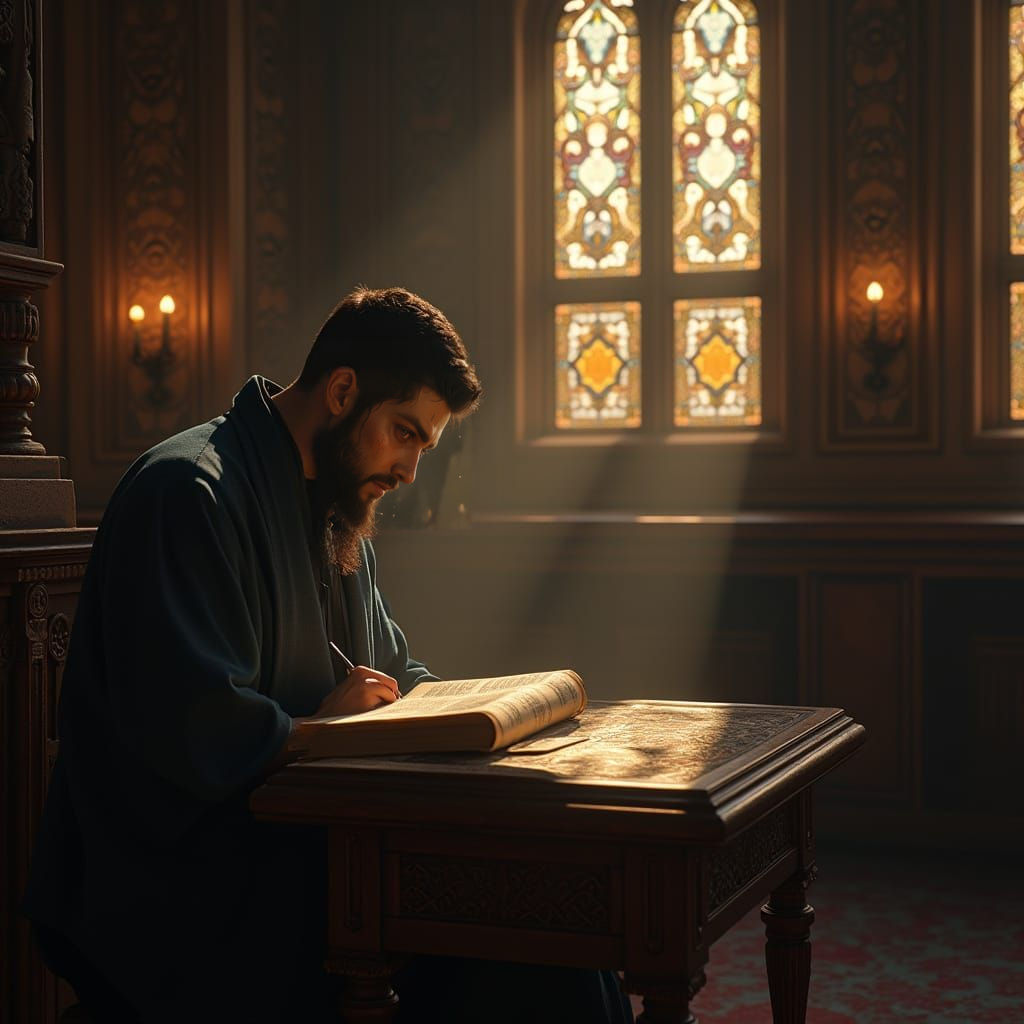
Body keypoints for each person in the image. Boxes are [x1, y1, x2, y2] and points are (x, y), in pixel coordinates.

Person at [24, 287, 633, 1023]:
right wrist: (329, 731)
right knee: (523, 957)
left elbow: (396, 674)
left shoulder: (339, 508)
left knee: (550, 928)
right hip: (186, 888)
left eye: (424, 446)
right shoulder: (188, 492)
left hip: (306, 847)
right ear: (344, 391)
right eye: (405, 433)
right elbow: (196, 733)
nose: (411, 470)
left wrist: (484, 715)